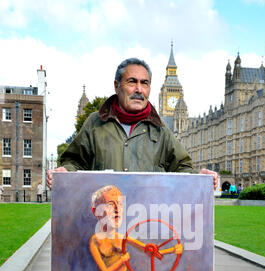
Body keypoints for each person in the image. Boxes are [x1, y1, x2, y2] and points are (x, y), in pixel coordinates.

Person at [47, 58, 218, 189]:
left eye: (144, 83)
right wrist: (65, 172)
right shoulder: (95, 123)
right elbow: (74, 161)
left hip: (146, 221)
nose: (139, 89)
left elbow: (182, 167)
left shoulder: (161, 130)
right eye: (132, 82)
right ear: (117, 86)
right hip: (105, 221)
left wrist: (198, 176)